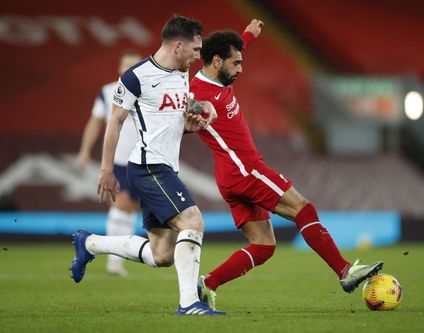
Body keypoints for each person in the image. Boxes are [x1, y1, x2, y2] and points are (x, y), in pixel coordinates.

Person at [190, 19, 383, 309]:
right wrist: (192, 116)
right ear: (217, 61)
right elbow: (185, 113)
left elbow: (227, 53)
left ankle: (207, 284)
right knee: (304, 209)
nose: (241, 69)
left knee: (264, 246)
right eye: (236, 63)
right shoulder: (198, 95)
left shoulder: (215, 76)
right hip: (246, 170)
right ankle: (345, 271)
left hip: (230, 176)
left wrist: (247, 37)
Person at [69, 14, 225, 316]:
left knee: (162, 254)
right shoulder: (135, 76)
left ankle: (90, 244)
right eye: (195, 50)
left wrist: (201, 112)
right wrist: (105, 170)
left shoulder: (181, 72)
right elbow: (114, 121)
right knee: (193, 223)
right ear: (177, 46)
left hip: (165, 166)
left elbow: (179, 117)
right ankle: (189, 303)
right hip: (149, 166)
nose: (197, 57)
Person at [76, 50, 142, 277]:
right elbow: (94, 123)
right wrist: (85, 150)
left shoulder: (148, 91)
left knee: (132, 209)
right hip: (119, 160)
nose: (130, 69)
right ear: (119, 68)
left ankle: (116, 254)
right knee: (120, 204)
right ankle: (113, 261)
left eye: (135, 65)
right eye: (127, 65)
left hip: (143, 159)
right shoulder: (107, 92)